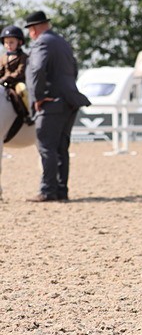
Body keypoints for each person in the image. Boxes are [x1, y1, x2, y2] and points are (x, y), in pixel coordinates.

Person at [23, 10, 91, 202]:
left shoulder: (42, 42)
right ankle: (61, 190)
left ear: (34, 29)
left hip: (51, 101)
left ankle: (47, 190)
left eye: (29, 30)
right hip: (70, 99)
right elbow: (74, 68)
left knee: (47, 147)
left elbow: (36, 70)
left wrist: (38, 97)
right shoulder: (62, 42)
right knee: (61, 147)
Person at [1, 25, 33, 125]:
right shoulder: (3, 57)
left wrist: (5, 78)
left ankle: (28, 114)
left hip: (17, 82)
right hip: (4, 82)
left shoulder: (23, 57)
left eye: (11, 42)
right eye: (6, 43)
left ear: (19, 42)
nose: (8, 45)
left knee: (22, 90)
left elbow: (20, 72)